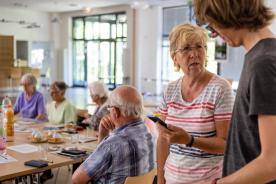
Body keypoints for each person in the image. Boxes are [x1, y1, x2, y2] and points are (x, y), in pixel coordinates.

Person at [193, 0, 276, 183]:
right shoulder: (259, 56)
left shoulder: (263, 63)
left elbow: (272, 162)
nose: (214, 34)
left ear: (227, 14)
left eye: (212, 25)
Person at [156, 23, 235, 184]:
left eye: (199, 47)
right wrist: (160, 178)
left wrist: (190, 140)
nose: (194, 54)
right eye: (186, 49)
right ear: (174, 57)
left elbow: (226, 144)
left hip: (208, 180)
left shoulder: (220, 88)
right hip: (171, 179)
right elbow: (162, 139)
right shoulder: (169, 90)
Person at [72, 85, 154, 184]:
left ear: (115, 111)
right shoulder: (148, 132)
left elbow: (77, 179)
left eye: (109, 108)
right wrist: (103, 132)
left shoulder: (113, 144)